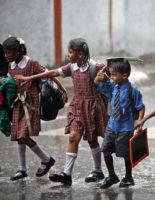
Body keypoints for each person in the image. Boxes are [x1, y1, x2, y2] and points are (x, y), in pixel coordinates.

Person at [15, 38, 109, 185]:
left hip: (92, 107)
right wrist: (29, 77)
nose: (67, 55)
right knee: (73, 137)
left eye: (70, 52)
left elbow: (109, 81)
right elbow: (53, 73)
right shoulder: (72, 67)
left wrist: (104, 77)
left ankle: (98, 170)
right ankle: (67, 174)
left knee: (92, 140)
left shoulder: (94, 67)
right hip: (77, 107)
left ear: (80, 54)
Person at [2, 36, 67, 180]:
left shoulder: (31, 63)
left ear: (18, 52)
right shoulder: (10, 65)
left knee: (23, 135)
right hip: (17, 104)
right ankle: (22, 169)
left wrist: (62, 90)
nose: (6, 56)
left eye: (8, 53)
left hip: (31, 104)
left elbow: (50, 74)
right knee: (19, 137)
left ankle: (46, 159)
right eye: (4, 53)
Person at [94, 58, 145, 188]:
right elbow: (96, 82)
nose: (111, 77)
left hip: (125, 128)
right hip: (112, 126)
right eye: (110, 74)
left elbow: (140, 107)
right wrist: (103, 69)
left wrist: (139, 121)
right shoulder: (112, 86)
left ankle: (128, 177)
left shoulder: (133, 91)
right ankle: (112, 176)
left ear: (124, 76)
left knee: (126, 154)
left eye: (114, 75)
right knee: (105, 150)